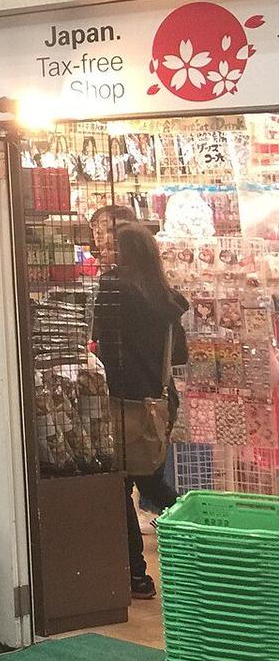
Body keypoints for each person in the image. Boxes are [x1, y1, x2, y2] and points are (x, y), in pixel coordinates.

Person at [93, 223, 189, 600]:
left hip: (122, 401)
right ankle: (195, 534)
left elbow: (104, 348)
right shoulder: (168, 299)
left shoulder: (113, 292)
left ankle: (136, 575)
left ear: (123, 252)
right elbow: (179, 356)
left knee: (121, 487)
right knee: (150, 482)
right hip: (159, 402)